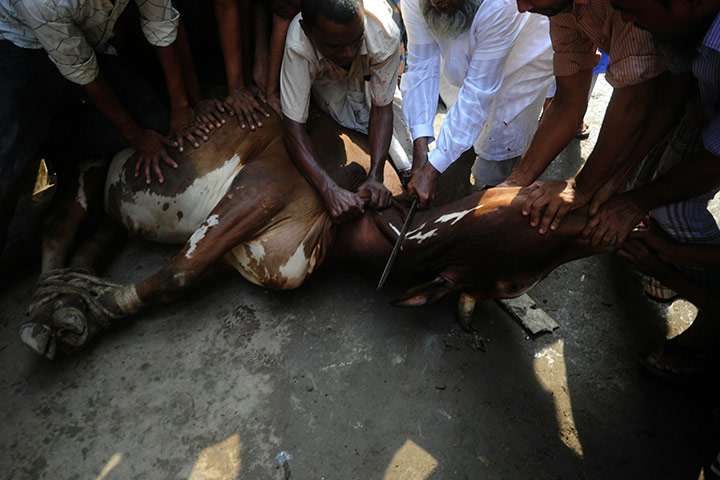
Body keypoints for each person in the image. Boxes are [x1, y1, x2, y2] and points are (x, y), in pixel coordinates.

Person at [0, 0, 212, 258]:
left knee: (155, 122)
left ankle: (53, 139)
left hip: (88, 44)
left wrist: (182, 106)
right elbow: (83, 72)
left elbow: (161, 22)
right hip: (19, 45)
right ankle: (35, 142)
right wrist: (135, 137)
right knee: (7, 163)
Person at [501, 0, 686, 238]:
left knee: (673, 208)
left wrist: (581, 187)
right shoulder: (560, 8)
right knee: (615, 190)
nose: (522, 7)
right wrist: (517, 180)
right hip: (661, 85)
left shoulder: (621, 6)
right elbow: (568, 101)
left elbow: (636, 101)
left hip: (697, 91)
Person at [401, 0, 554, 206]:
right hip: (474, 50)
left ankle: (493, 191)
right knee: (460, 106)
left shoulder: (502, 5)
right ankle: (458, 158)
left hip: (520, 50)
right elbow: (421, 66)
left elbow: (478, 91)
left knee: (501, 127)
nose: (438, 2)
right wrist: (421, 156)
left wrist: (431, 170)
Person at [281, 0, 413, 224]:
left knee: (402, 152)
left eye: (355, 40)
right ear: (308, 31)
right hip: (325, 76)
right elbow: (293, 129)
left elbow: (382, 109)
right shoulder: (298, 45)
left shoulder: (383, 33)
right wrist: (328, 189)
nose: (349, 52)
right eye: (336, 46)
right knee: (342, 120)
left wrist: (376, 177)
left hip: (372, 65)